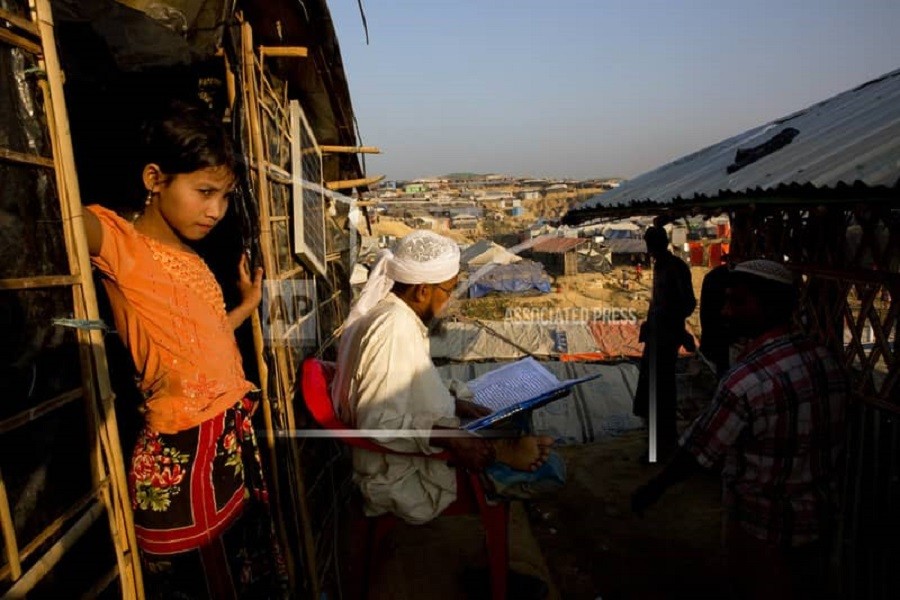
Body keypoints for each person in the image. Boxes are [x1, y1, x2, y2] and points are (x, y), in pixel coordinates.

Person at [82, 100, 286, 598]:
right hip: (179, 452)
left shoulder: (192, 258)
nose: (216, 210)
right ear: (155, 178)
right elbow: (57, 205)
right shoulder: (117, 242)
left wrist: (246, 307)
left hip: (228, 446)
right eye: (204, 192)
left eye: (224, 196)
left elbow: (204, 337)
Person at [632, 260, 848, 600]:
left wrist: (655, 488)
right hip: (818, 522)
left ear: (772, 307)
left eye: (738, 302)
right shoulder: (821, 357)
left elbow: (699, 451)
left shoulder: (745, 381)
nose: (725, 312)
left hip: (760, 529)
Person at [333, 229, 555, 524]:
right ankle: (498, 452)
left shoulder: (397, 317)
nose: (450, 302)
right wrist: (452, 439)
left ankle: (502, 446)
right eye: (449, 290)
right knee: (552, 472)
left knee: (515, 431)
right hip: (398, 466)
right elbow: (377, 423)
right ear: (423, 290)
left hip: (415, 437)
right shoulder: (393, 327)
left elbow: (403, 385)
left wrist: (454, 402)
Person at [633, 225, 696, 458]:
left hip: (666, 339)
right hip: (658, 336)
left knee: (660, 394)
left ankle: (660, 449)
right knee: (654, 393)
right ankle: (658, 447)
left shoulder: (675, 268)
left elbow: (686, 303)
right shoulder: (661, 266)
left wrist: (673, 325)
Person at [699, 253, 734, 377]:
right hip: (727, 336)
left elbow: (704, 313)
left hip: (714, 335)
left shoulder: (712, 276)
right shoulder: (738, 279)